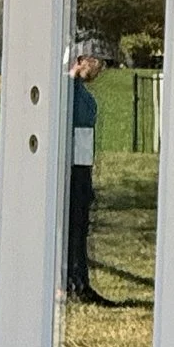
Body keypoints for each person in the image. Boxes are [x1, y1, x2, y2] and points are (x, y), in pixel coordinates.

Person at [64, 45, 103, 302]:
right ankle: (66, 281)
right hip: (65, 168)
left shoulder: (88, 100)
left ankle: (80, 282)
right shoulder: (63, 93)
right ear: (80, 60)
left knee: (79, 226)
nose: (99, 68)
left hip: (81, 168)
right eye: (94, 62)